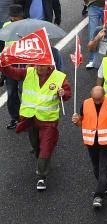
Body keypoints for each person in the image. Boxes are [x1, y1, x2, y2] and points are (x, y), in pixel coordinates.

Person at [6, 62, 72, 191]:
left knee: (45, 147)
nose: (38, 68)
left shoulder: (59, 77)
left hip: (49, 120)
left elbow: (67, 95)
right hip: (31, 118)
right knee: (36, 145)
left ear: (49, 66)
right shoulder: (28, 72)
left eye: (42, 66)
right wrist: (2, 64)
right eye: (37, 65)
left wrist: (63, 93)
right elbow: (11, 72)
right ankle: (42, 160)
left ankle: (41, 176)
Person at [72, 85, 107, 208]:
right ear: (91, 96)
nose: (97, 102)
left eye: (99, 99)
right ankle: (105, 185)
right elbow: (82, 122)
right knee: (96, 167)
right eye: (95, 99)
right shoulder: (86, 104)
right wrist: (77, 121)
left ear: (104, 96)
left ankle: (98, 196)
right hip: (91, 142)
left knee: (103, 168)